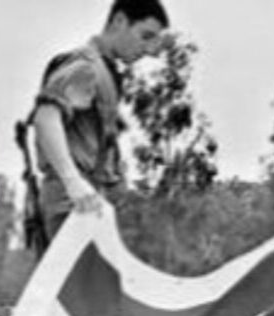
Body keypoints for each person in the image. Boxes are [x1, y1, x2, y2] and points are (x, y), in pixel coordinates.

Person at [29, 0, 169, 256]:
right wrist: (74, 183)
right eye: (145, 36)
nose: (148, 49)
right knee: (87, 293)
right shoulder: (86, 66)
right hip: (75, 206)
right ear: (119, 21)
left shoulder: (105, 71)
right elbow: (46, 118)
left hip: (92, 203)